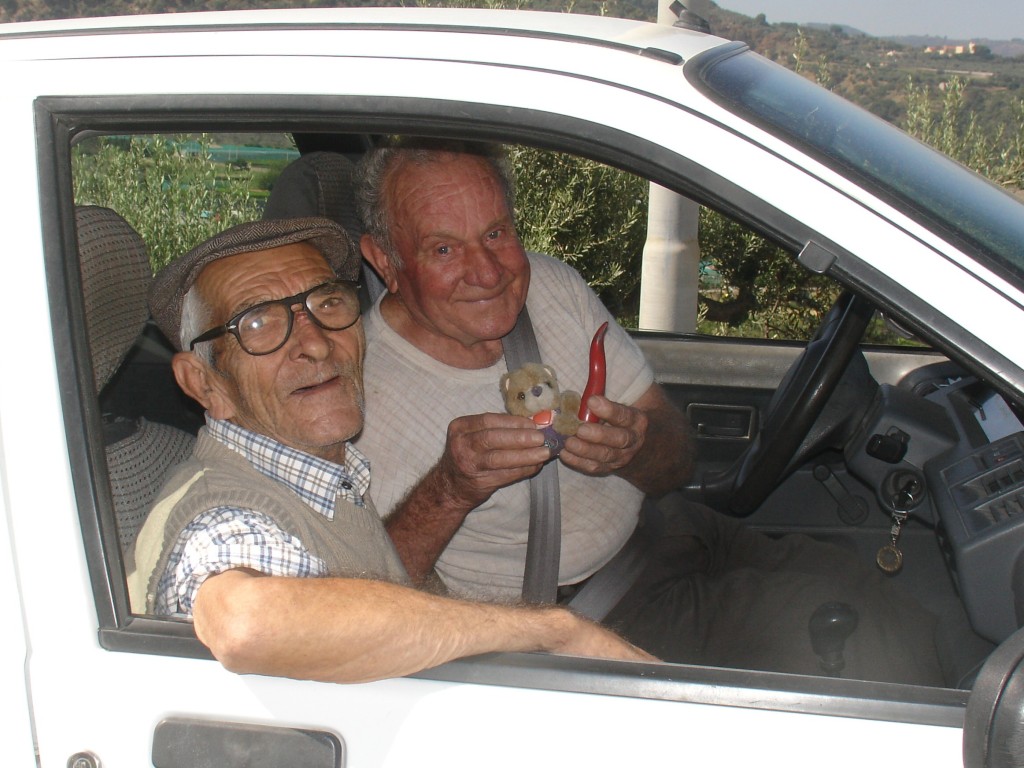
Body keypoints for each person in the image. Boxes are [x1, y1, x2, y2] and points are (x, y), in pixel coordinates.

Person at [353, 138, 946, 685]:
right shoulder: (361, 390)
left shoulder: (553, 288)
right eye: (444, 249)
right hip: (595, 614)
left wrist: (637, 448)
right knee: (876, 640)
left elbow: (676, 461)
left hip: (672, 527)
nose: (487, 271)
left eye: (496, 234)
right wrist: (450, 490)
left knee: (876, 590)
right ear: (385, 261)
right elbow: (363, 602)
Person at [130, 216, 654, 685]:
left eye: (328, 303)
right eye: (259, 323)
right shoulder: (226, 513)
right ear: (202, 383)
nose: (315, 343)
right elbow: (245, 621)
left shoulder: (327, 476)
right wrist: (555, 633)